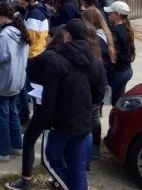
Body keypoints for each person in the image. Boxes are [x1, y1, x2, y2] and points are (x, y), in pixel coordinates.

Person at [41, 19, 105, 190]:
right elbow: (99, 93)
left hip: (62, 123)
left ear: (67, 35)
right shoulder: (96, 62)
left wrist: (46, 122)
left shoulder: (57, 62)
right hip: (84, 121)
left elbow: (49, 97)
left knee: (49, 159)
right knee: (78, 167)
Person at [5, 27, 65, 190]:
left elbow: (31, 69)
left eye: (47, 37)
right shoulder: (66, 55)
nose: (45, 40)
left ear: (52, 38)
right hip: (62, 107)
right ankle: (59, 177)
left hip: (43, 105)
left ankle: (26, 180)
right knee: (60, 144)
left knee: (29, 140)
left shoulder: (47, 56)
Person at [0, 2, 30, 162]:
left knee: (1, 117)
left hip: (5, 81)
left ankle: (3, 151)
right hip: (18, 80)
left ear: (4, 17)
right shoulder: (21, 31)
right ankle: (17, 146)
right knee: (13, 114)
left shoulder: (5, 36)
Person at [81, 7, 117, 160]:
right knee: (94, 115)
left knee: (92, 117)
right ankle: (94, 147)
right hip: (101, 80)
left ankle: (93, 148)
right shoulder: (104, 33)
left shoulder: (97, 39)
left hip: (96, 82)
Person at [13, 0, 50, 128]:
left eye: (21, 0)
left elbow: (31, 37)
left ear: (29, 0)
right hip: (38, 52)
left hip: (33, 55)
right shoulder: (37, 10)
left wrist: (19, 26)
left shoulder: (34, 14)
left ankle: (30, 120)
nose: (19, 3)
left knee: (29, 90)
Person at [104, 1, 135, 105]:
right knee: (119, 99)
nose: (109, 14)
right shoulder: (126, 27)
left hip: (119, 72)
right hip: (127, 70)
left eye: (111, 12)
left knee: (116, 103)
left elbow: (113, 54)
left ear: (117, 14)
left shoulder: (115, 30)